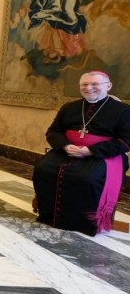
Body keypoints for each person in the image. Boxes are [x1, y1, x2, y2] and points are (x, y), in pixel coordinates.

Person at [32, 71, 130, 235]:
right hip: (68, 149)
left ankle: (84, 223)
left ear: (108, 86)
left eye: (95, 84)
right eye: (84, 85)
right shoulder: (69, 107)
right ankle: (49, 216)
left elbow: (126, 141)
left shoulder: (123, 111)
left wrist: (90, 150)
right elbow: (53, 132)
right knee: (43, 170)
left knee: (87, 178)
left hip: (102, 154)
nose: (89, 88)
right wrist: (64, 146)